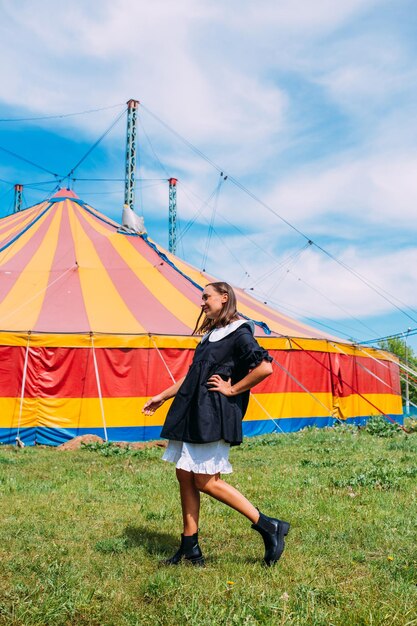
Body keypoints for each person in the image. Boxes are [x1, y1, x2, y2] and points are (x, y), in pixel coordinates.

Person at [142, 282, 290, 567]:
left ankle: (268, 525)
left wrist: (233, 390)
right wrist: (161, 396)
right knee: (184, 474)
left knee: (206, 480)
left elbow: (264, 367)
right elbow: (193, 375)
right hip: (191, 410)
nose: (202, 302)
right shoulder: (210, 336)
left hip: (213, 413)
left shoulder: (240, 332)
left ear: (225, 298)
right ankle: (190, 548)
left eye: (206, 296)